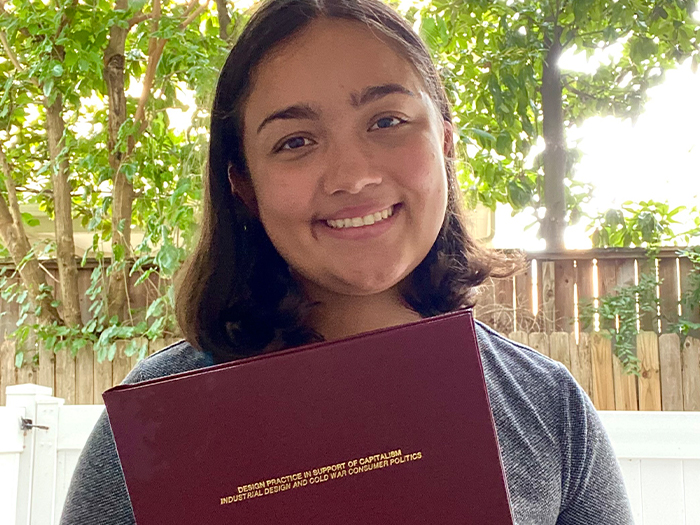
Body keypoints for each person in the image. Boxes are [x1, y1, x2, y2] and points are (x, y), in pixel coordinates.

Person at [60, 0, 634, 523]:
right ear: (245, 186)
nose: (353, 176)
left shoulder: (547, 407)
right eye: (296, 141)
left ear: (445, 141)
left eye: (387, 121)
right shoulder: (154, 431)